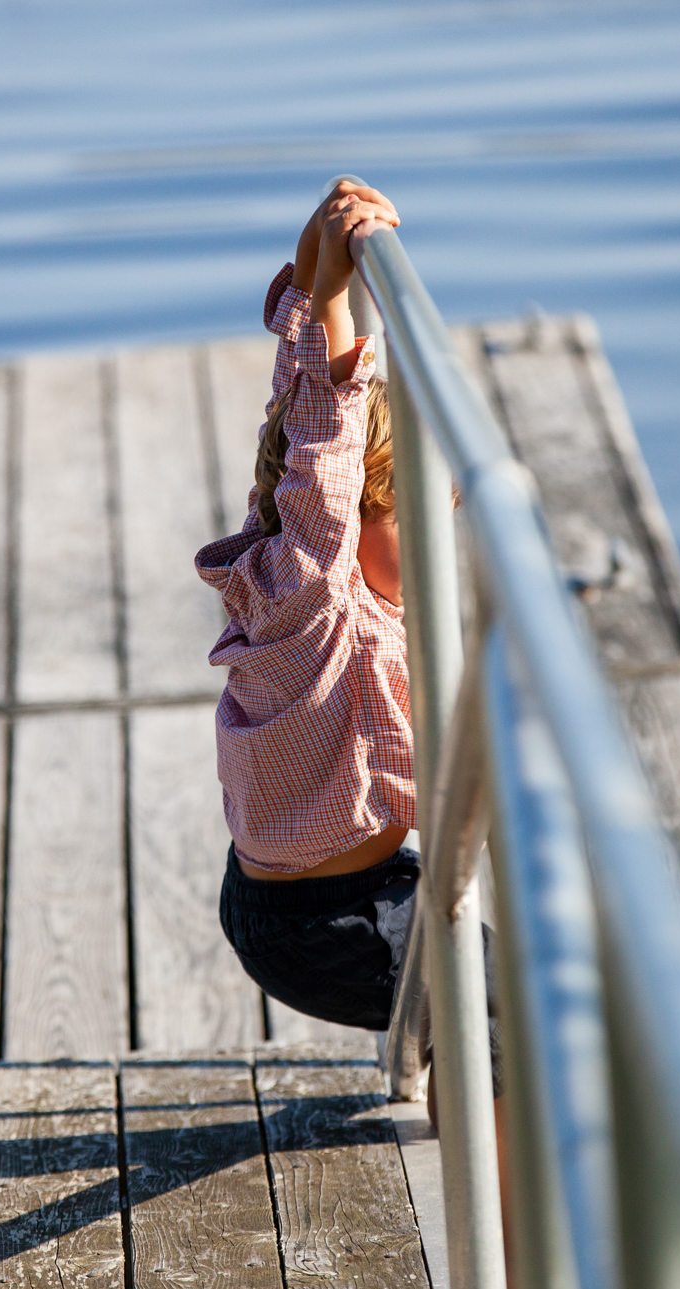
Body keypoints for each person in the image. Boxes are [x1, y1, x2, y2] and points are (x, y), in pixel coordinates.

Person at [195, 181, 497, 1106]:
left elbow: (298, 409)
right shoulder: (312, 597)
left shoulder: (311, 580)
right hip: (321, 926)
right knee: (509, 1011)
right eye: (418, 510)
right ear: (358, 514)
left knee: (494, 966)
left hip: (334, 895)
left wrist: (321, 270)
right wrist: (329, 299)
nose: (439, 533)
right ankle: (494, 1212)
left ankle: (456, 1119)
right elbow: (319, 450)